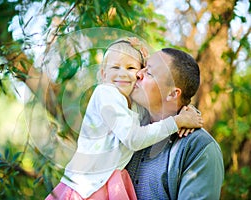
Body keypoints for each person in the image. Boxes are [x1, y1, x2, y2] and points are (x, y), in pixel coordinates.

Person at [44, 38, 203, 199]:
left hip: (109, 182)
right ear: (103, 74)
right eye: (115, 67)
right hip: (86, 187)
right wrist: (177, 122)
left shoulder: (134, 104)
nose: (122, 73)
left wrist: (187, 110)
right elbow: (133, 138)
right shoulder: (105, 94)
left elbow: (164, 99)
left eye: (131, 67)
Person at [125, 48, 224, 199]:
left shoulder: (199, 148)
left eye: (149, 73)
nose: (138, 74)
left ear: (172, 94)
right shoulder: (127, 128)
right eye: (142, 68)